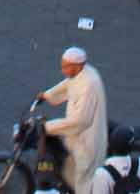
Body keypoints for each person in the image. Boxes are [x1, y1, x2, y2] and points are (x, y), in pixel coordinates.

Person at [39, 47, 108, 194]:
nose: (62, 70)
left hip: (87, 141)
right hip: (77, 137)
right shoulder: (81, 73)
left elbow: (79, 121)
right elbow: (67, 85)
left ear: (76, 66)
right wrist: (46, 95)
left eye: (65, 67)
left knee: (82, 180)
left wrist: (48, 127)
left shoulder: (89, 84)